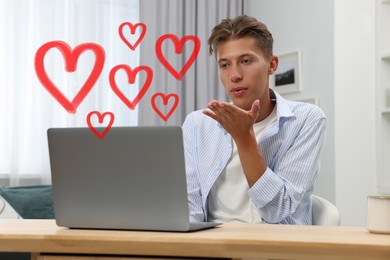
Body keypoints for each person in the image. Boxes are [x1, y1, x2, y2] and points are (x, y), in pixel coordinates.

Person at [182, 15, 327, 225]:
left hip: (272, 249)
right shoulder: (198, 123)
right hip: (212, 248)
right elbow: (190, 209)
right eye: (224, 65)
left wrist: (244, 138)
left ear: (272, 64)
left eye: (246, 61)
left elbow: (277, 210)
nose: (235, 75)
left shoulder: (307, 120)